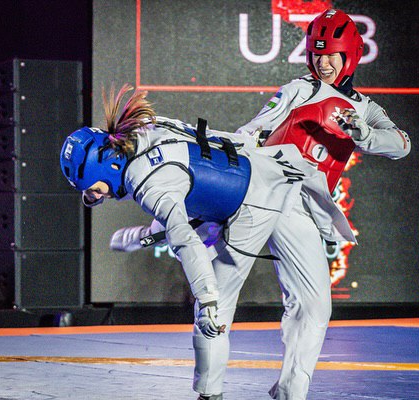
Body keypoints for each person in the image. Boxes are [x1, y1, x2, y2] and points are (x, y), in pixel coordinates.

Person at [60, 83, 354, 400]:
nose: (97, 197)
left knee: (213, 309)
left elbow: (185, 240)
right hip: (259, 176)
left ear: (109, 165)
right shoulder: (142, 133)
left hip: (252, 203)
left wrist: (207, 298)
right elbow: (176, 197)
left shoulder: (147, 182)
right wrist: (141, 236)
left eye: (94, 188)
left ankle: (210, 395)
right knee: (307, 301)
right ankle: (281, 391)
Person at [231, 8, 412, 399]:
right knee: (220, 287)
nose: (322, 62)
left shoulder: (366, 108)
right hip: (270, 193)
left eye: (331, 54)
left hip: (302, 211)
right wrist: (232, 146)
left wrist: (364, 134)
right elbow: (255, 127)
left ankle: (290, 392)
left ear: (351, 55)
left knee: (314, 308)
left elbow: (402, 144)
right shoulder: (300, 88)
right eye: (316, 53)